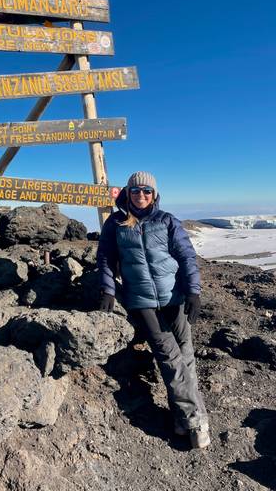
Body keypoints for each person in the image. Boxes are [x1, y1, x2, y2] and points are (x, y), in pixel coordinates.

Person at [97, 171, 209, 449]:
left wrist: (194, 291)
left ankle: (184, 419)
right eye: (136, 191)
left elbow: (185, 256)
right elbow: (106, 258)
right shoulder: (116, 223)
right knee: (171, 358)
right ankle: (196, 423)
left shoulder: (167, 220)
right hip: (143, 301)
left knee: (185, 356)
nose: (142, 196)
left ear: (154, 194)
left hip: (175, 298)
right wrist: (108, 290)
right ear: (128, 193)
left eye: (147, 191)